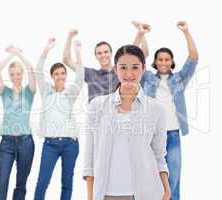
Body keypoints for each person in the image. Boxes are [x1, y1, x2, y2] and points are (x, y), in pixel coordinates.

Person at [83, 45, 171, 200]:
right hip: (106, 194)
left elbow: (159, 155)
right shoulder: (97, 106)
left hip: (146, 193)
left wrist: (166, 190)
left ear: (143, 69)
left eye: (135, 67)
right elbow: (89, 156)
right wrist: (90, 195)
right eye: (123, 67)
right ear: (115, 69)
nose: (129, 74)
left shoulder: (157, 110)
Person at [135, 21, 199, 200]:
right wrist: (140, 35)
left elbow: (193, 58)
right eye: (160, 59)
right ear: (155, 62)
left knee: (173, 181)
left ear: (171, 62)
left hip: (172, 136)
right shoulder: (147, 78)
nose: (163, 62)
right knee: (148, 180)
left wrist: (186, 31)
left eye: (167, 59)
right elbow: (132, 59)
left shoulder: (179, 79)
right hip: (150, 135)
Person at [33, 37, 84, 200]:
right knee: (42, 182)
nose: (60, 76)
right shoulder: (46, 92)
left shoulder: (70, 94)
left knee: (67, 183)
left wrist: (77, 53)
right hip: (50, 144)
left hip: (70, 144)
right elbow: (38, 71)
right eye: (56, 74)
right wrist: (46, 49)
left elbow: (80, 78)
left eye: (63, 73)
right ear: (52, 76)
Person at [63, 26, 148, 103]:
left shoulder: (120, 71)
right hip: (97, 117)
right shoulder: (90, 74)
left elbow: (133, 56)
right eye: (99, 53)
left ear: (111, 54)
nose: (103, 55)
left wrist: (140, 34)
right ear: (96, 56)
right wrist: (70, 36)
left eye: (105, 52)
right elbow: (67, 60)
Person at [0, 46, 36, 200]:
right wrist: (10, 56)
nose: (15, 77)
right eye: (12, 74)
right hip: (7, 143)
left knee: (21, 183)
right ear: (9, 76)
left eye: (18, 74)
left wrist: (19, 53)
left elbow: (31, 68)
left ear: (22, 74)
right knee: (3, 181)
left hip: (26, 142)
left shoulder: (29, 91)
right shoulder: (4, 91)